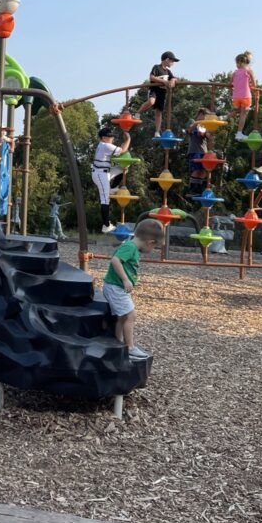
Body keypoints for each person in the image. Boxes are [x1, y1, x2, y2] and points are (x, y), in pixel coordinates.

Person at [100, 218, 165, 360]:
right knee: (131, 315)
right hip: (116, 287)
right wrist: (125, 279)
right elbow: (115, 260)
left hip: (116, 287)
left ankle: (119, 343)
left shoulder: (132, 247)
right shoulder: (130, 247)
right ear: (150, 242)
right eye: (155, 247)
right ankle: (129, 347)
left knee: (123, 317)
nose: (152, 250)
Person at [91, 125, 131, 233]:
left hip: (104, 172)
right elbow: (122, 151)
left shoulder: (104, 145)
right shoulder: (105, 145)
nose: (112, 138)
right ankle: (106, 225)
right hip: (100, 174)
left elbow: (120, 150)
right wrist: (128, 139)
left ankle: (113, 188)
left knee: (124, 168)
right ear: (104, 138)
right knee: (105, 199)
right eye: (110, 136)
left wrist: (125, 142)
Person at [136, 51, 179, 137]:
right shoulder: (157, 67)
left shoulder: (168, 72)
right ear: (167, 59)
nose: (173, 63)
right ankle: (138, 113)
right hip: (154, 90)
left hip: (162, 92)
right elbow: (151, 77)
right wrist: (164, 81)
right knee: (151, 101)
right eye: (172, 61)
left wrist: (173, 80)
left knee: (159, 112)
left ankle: (157, 131)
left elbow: (175, 78)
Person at [185, 108, 215, 195]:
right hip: (194, 150)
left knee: (202, 170)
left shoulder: (205, 126)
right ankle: (192, 188)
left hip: (204, 151)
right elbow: (189, 130)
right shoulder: (192, 122)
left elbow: (209, 137)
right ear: (200, 114)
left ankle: (198, 188)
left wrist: (211, 130)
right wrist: (198, 123)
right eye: (204, 115)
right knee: (196, 169)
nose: (205, 118)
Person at [231, 51, 257, 141]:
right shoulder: (248, 71)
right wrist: (252, 86)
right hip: (245, 96)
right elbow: (254, 83)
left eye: (238, 62)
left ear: (243, 62)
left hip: (236, 97)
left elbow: (230, 83)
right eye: (237, 62)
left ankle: (226, 116)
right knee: (243, 115)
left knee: (239, 111)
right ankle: (239, 133)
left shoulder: (235, 72)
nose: (237, 64)